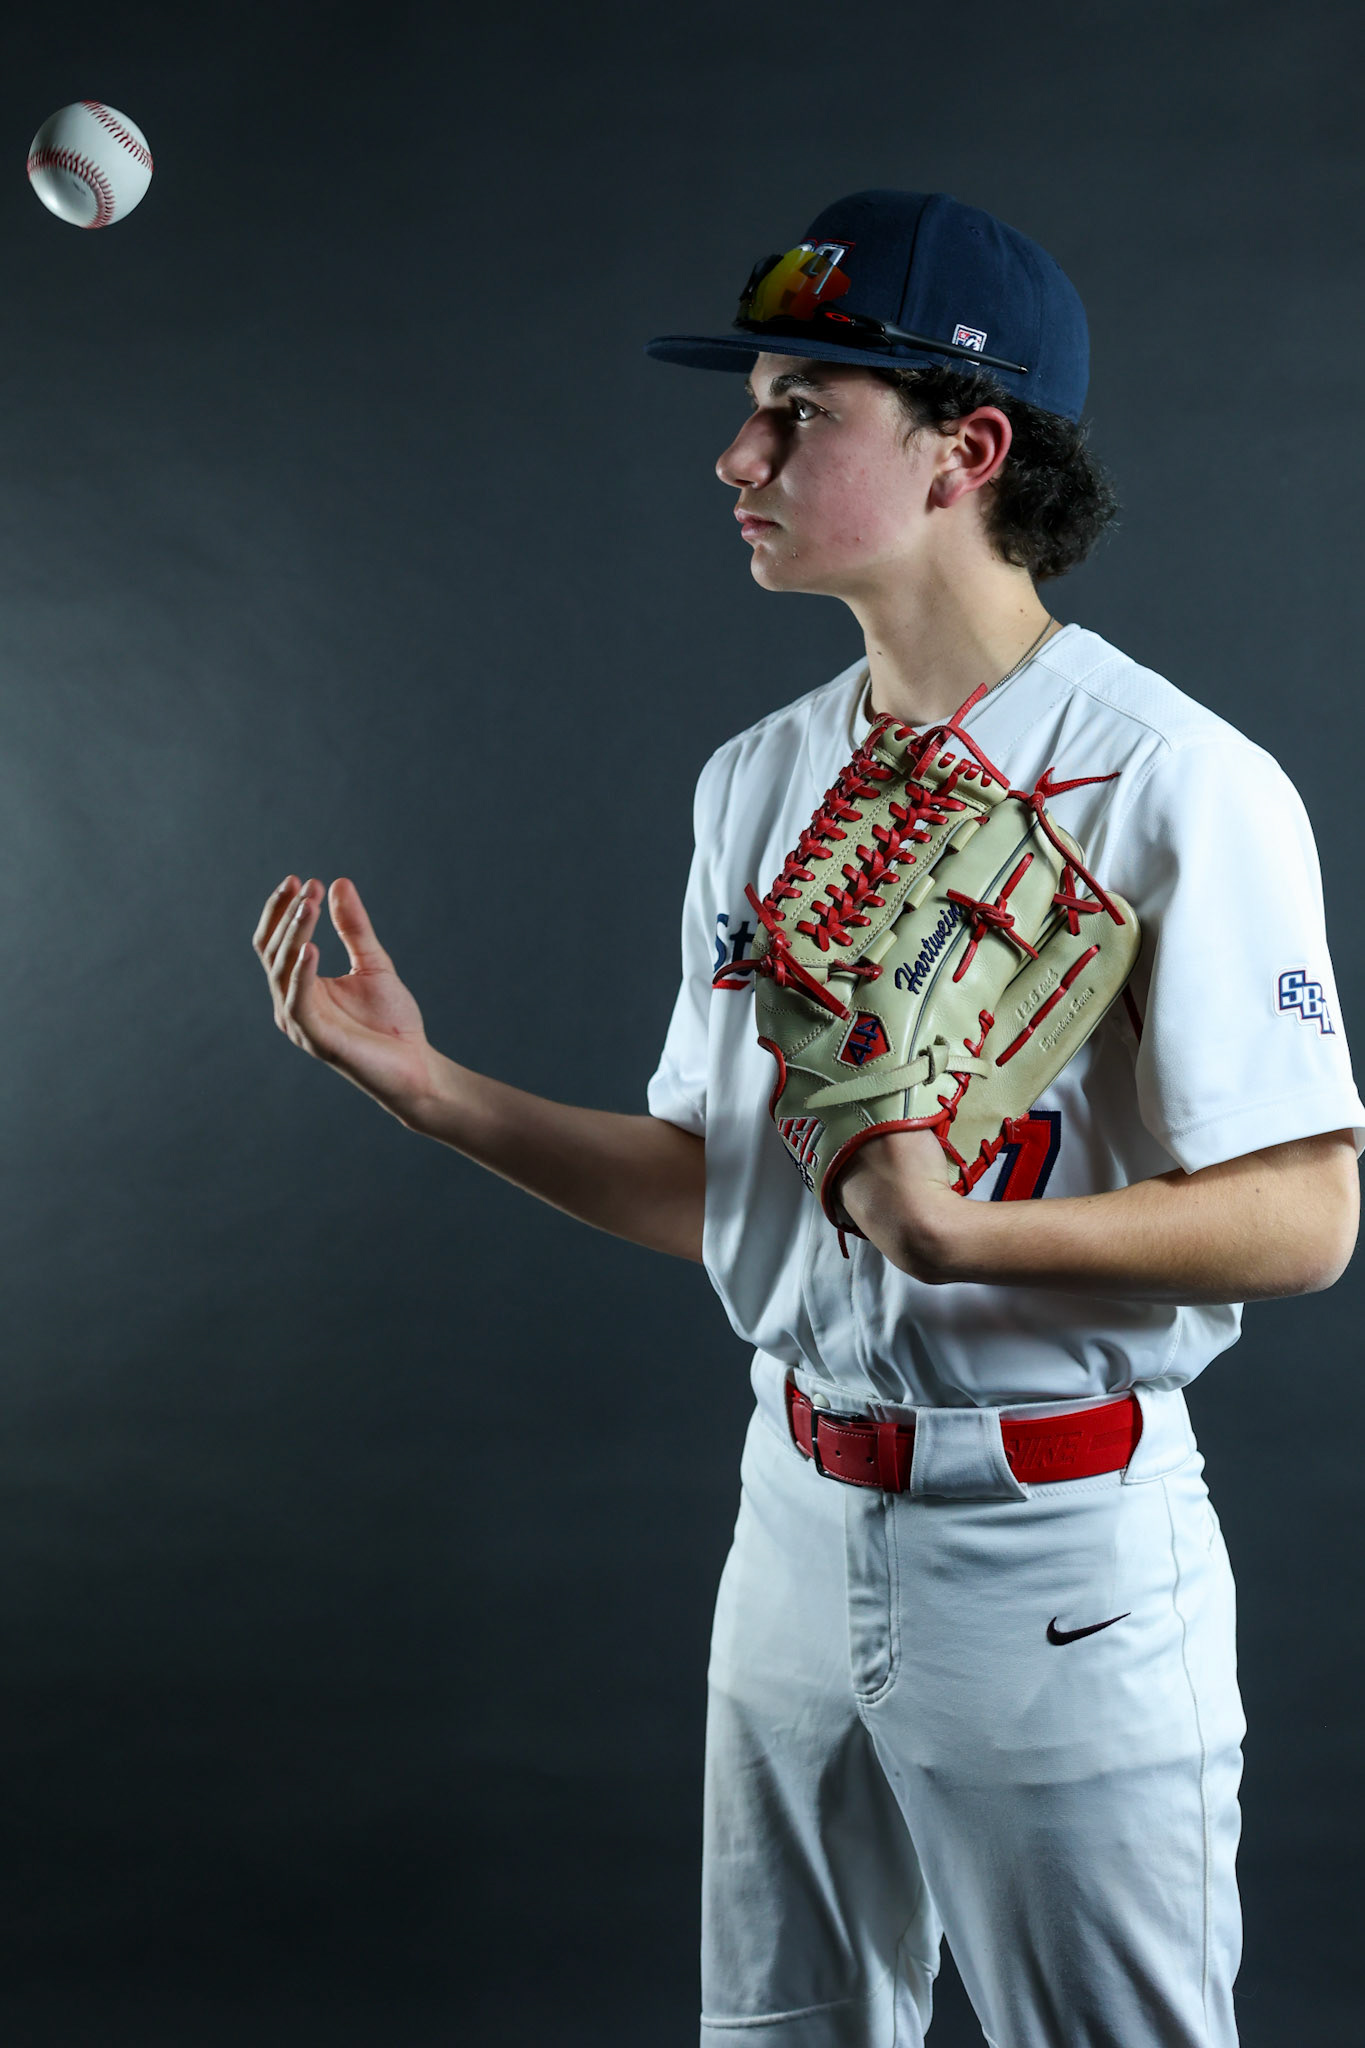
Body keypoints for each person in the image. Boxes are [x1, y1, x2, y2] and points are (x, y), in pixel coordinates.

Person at [252, 190, 1364, 2046]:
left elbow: (1309, 1216)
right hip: (790, 1513)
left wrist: (967, 1235)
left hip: (1053, 1543)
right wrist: (431, 1089)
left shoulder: (1181, 782)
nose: (733, 454)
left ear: (966, 451)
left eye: (799, 411)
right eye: (752, 408)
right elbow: (720, 1193)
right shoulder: (758, 781)